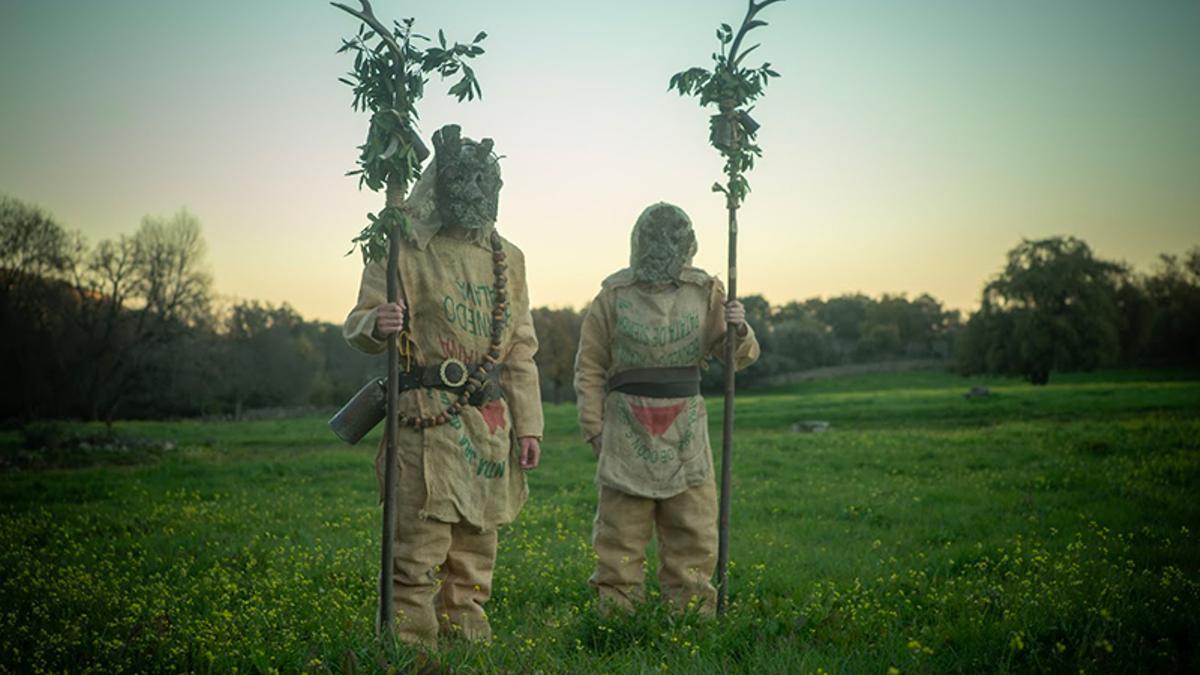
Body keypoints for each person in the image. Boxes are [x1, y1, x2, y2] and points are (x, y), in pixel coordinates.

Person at [343, 124, 543, 646]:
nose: (475, 191)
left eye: (484, 181)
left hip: (488, 423)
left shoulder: (509, 258)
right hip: (424, 417)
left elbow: (521, 349)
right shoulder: (402, 245)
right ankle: (411, 652)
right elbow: (359, 322)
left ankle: (468, 647)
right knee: (417, 549)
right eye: (464, 180)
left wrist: (529, 427)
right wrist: (377, 322)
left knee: (476, 551)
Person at [573, 202, 760, 615]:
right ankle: (617, 618)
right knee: (619, 534)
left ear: (687, 243)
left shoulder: (705, 292)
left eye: (672, 237)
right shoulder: (613, 297)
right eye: (653, 237)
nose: (662, 245)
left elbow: (737, 356)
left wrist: (739, 327)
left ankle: (691, 618)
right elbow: (589, 366)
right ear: (638, 241)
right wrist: (594, 427)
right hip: (625, 425)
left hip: (685, 427)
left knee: (693, 529)